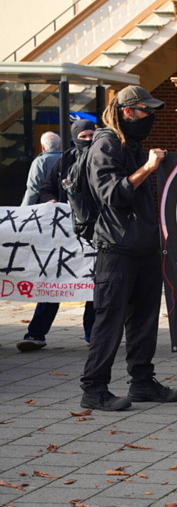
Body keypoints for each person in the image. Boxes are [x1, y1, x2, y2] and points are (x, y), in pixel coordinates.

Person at [82, 86, 177, 411]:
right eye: (146, 111)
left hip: (143, 245)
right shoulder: (106, 144)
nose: (150, 117)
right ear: (128, 111)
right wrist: (148, 168)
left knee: (144, 319)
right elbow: (112, 193)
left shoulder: (132, 143)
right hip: (116, 248)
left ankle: (142, 382)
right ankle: (94, 388)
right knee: (109, 320)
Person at [16, 120, 96, 352]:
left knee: (91, 285)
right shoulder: (64, 161)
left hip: (93, 236)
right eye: (84, 136)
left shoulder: (103, 157)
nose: (89, 140)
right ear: (74, 137)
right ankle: (36, 333)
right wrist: (49, 200)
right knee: (54, 282)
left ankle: (92, 334)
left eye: (92, 135)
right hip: (63, 236)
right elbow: (45, 189)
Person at [22, 131, 62, 205]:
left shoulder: (40, 161)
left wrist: (23, 210)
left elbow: (33, 189)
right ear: (59, 146)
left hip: (46, 206)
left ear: (43, 147)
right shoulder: (68, 159)